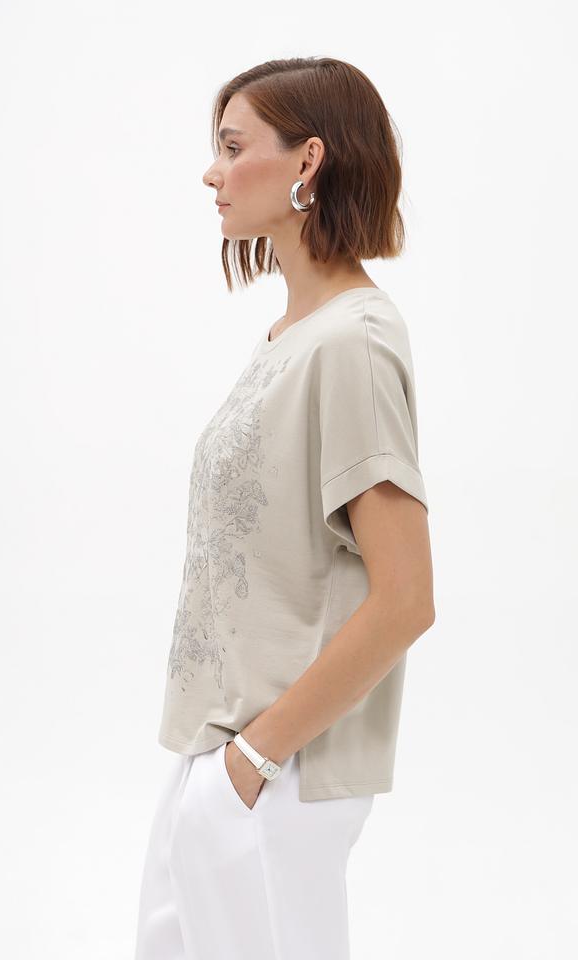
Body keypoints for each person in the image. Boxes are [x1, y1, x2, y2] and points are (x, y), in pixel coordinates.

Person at [134, 55, 435, 960]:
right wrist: (221, 773)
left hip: (277, 773)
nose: (212, 172)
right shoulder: (295, 337)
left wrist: (254, 762)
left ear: (308, 160)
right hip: (225, 763)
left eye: (234, 147)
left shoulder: (354, 343)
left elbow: (406, 598)